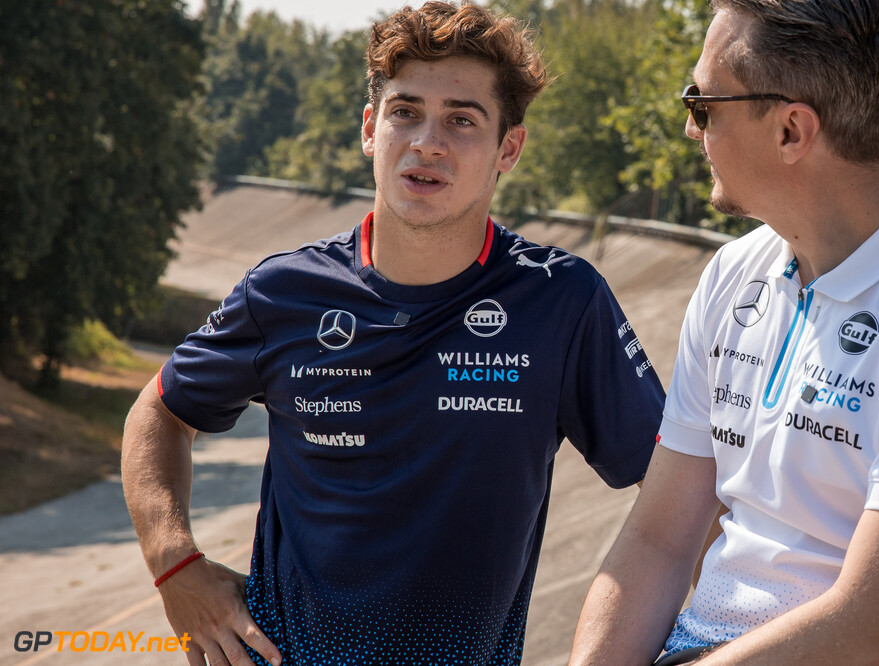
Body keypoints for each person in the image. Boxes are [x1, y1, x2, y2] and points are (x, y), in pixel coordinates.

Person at [122, 3, 665, 664]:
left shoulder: (562, 303)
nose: (426, 142)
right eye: (405, 111)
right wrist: (174, 565)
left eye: (462, 120)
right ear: (370, 129)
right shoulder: (283, 292)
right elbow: (159, 412)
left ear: (509, 150)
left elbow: (674, 495)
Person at [568, 0, 879, 664]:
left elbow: (872, 633)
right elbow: (659, 540)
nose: (689, 128)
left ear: (792, 130)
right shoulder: (735, 273)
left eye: (702, 104)